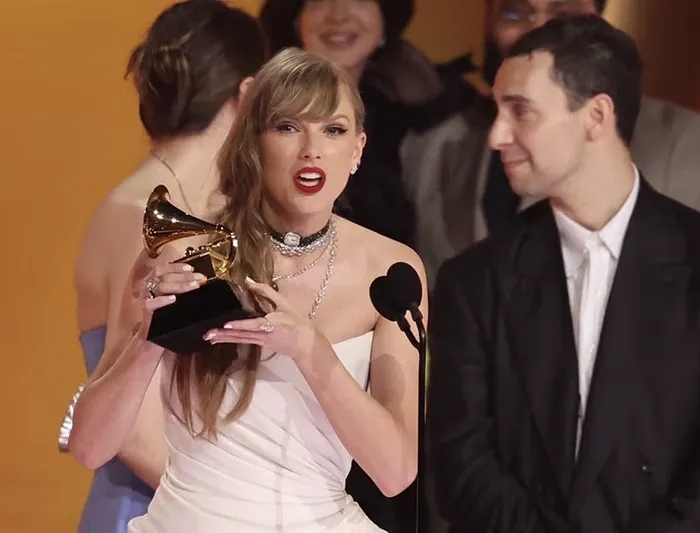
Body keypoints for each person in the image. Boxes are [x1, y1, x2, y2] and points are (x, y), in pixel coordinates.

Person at [427, 15, 700, 533]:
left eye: (520, 111)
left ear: (596, 115)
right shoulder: (474, 279)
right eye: (496, 111)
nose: (497, 136)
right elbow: (462, 462)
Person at [69, 46, 426, 533]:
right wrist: (150, 340)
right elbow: (90, 447)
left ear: (358, 150)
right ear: (253, 144)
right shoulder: (185, 251)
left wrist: (310, 352)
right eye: (287, 127)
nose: (311, 149)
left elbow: (395, 474)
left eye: (333, 129)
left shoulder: (392, 268)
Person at [259, 2, 475, 528]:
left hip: (384, 331)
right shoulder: (251, 111)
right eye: (290, 128)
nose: (339, 14)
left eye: (334, 131)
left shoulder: (432, 108)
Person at [61, 2, 267, 531]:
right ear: (246, 96)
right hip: (153, 509)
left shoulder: (151, 205)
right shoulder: (146, 217)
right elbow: (134, 429)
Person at [402, 0, 700, 289]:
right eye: (515, 12)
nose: (537, 30)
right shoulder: (437, 143)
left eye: (562, 14)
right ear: (487, 22)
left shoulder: (681, 143)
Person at [260, 0, 478, 249]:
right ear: (296, 19)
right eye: (319, 1)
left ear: (385, 20)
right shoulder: (258, 103)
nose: (338, 17)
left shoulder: (418, 116)